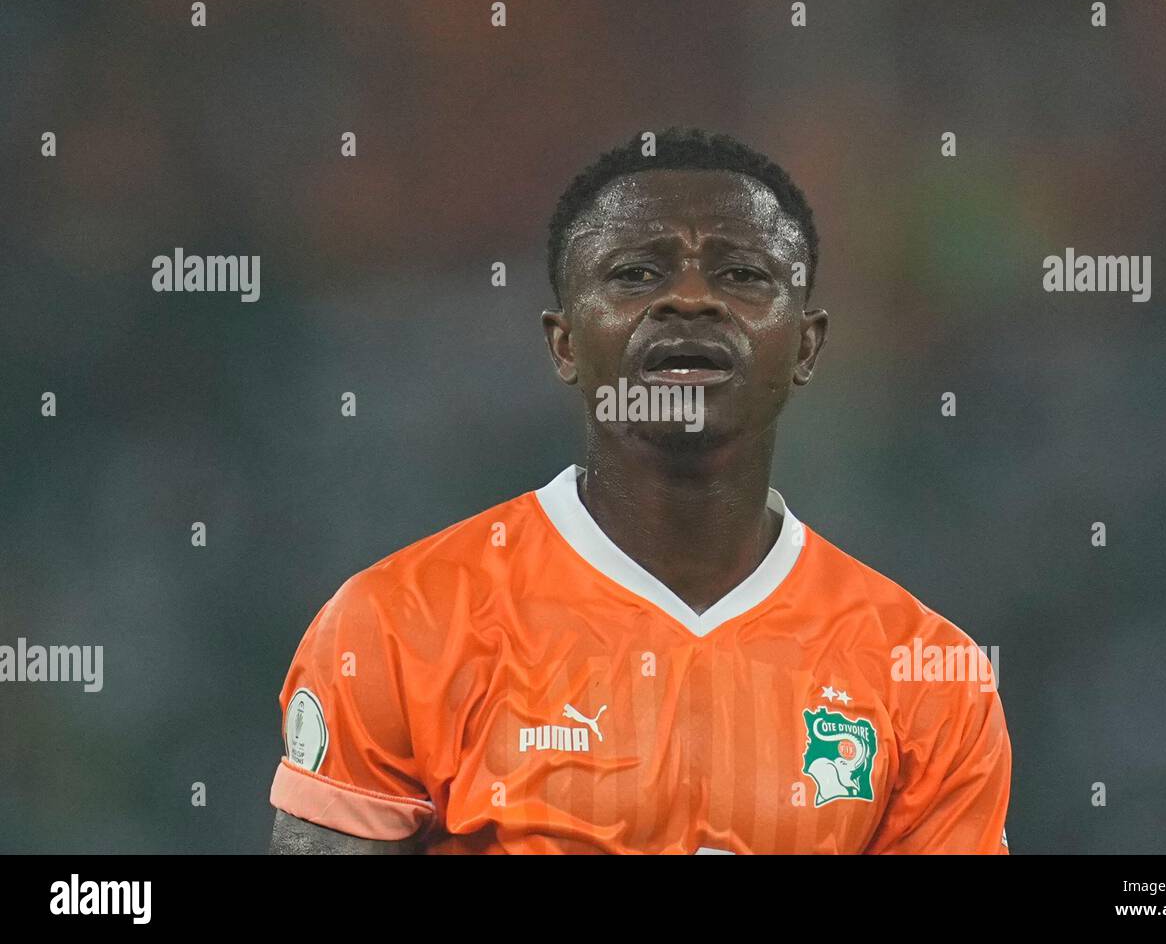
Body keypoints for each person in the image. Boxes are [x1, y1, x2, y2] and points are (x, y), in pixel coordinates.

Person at [268, 127, 1011, 854]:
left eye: (742, 275)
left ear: (806, 346)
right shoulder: (401, 624)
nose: (691, 299)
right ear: (565, 344)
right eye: (637, 274)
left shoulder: (923, 671)